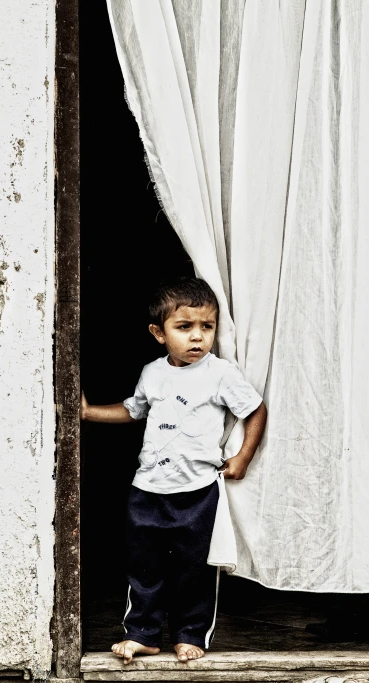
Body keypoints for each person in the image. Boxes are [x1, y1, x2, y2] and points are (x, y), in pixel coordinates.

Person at [81, 278, 267, 663]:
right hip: (147, 488)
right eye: (185, 328)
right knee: (143, 565)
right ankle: (143, 634)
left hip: (198, 490)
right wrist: (87, 412)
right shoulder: (152, 372)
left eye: (207, 327)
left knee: (193, 569)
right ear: (158, 333)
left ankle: (189, 634)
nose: (198, 337)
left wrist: (243, 457)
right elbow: (134, 409)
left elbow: (255, 409)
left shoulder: (220, 373)